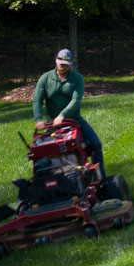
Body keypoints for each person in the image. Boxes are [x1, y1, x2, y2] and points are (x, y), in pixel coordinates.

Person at [32, 48, 104, 176]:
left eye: (66, 64)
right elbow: (37, 100)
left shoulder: (77, 79)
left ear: (71, 64)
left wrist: (62, 115)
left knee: (96, 145)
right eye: (60, 63)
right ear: (55, 60)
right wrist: (38, 119)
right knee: (44, 153)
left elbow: (76, 100)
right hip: (52, 125)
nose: (62, 66)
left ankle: (101, 178)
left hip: (74, 121)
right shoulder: (45, 78)